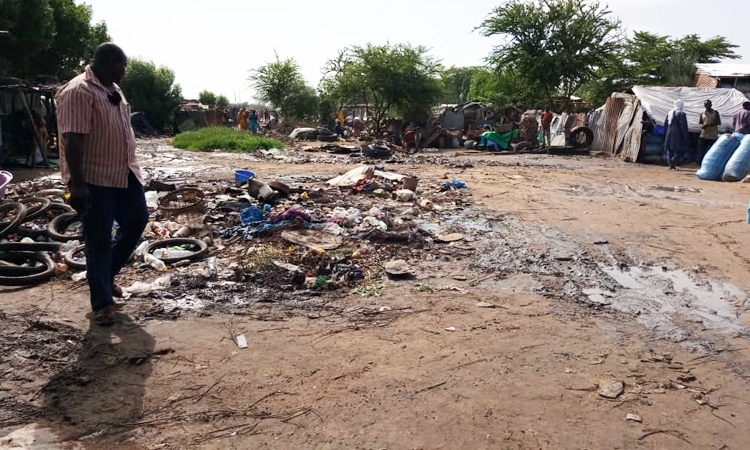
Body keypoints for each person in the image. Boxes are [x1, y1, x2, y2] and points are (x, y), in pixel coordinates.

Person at [56, 43, 149, 326]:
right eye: (122, 65)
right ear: (109, 62)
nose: (124, 71)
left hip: (124, 173)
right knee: (98, 240)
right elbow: (72, 140)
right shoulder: (78, 91)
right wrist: (79, 186)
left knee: (137, 221)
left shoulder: (114, 90)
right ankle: (102, 303)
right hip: (94, 179)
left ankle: (106, 278)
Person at [663, 99, 689, 170]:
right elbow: (683, 125)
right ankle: (674, 160)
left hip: (669, 133)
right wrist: (685, 135)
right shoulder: (681, 113)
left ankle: (671, 166)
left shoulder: (669, 113)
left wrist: (665, 134)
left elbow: (665, 125)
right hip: (678, 134)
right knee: (679, 149)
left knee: (670, 150)